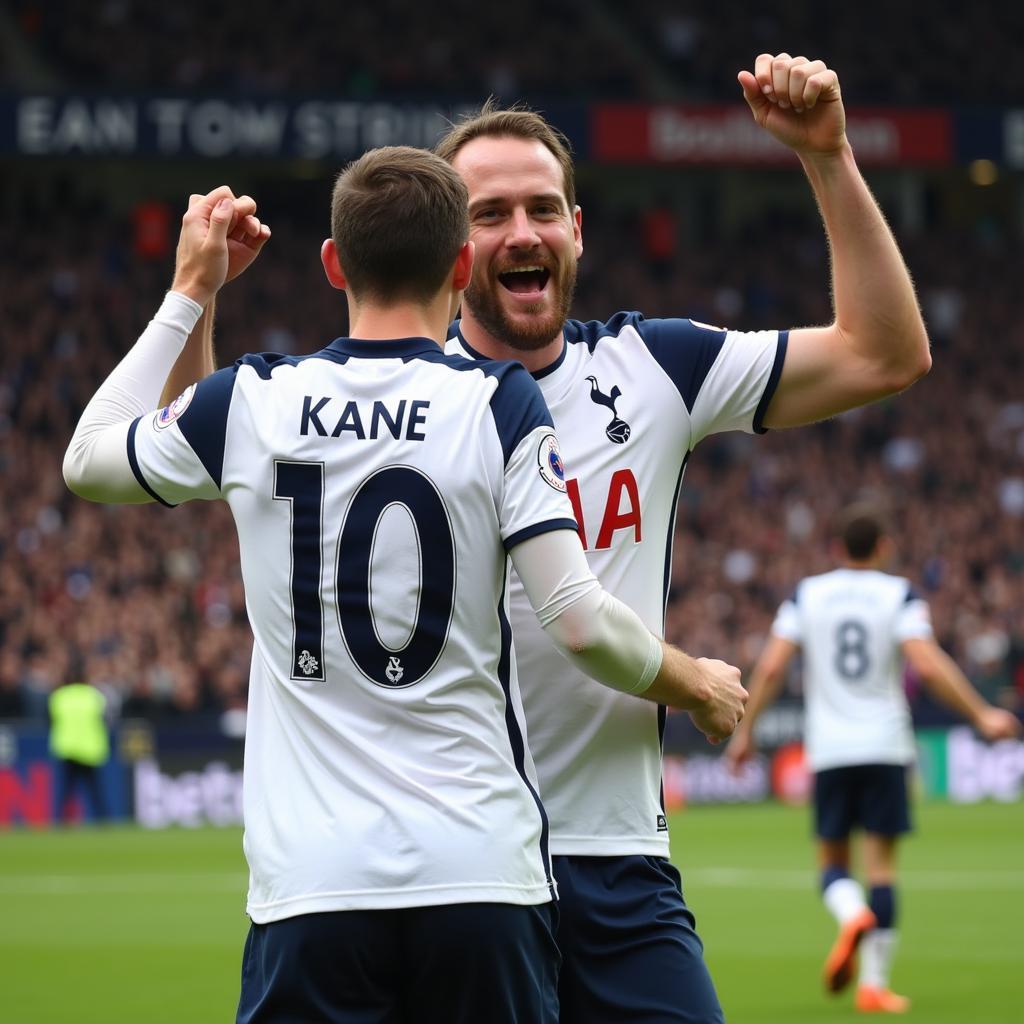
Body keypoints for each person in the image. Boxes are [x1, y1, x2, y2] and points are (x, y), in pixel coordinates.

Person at [63, 148, 747, 1024]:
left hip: (314, 886)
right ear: (462, 266)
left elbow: (90, 456)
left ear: (332, 264)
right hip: (481, 872)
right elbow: (576, 619)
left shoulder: (254, 402)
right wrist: (694, 683)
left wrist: (192, 292)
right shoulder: (501, 403)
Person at [433, 53, 933, 1023]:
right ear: (447, 246)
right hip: (456, 871)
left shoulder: (654, 365)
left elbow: (885, 353)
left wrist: (828, 158)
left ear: (577, 231)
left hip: (618, 864)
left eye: (542, 208)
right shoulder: (395, 400)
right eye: (487, 214)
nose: (521, 230)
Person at [724, 505, 1021, 1013]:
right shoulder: (899, 594)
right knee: (882, 868)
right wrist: (980, 713)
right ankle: (874, 985)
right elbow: (926, 664)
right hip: (885, 744)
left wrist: (745, 730)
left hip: (831, 749)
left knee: (832, 866)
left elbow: (772, 665)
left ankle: (850, 914)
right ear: (883, 546)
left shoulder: (807, 594)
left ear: (837, 548)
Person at [49, 678, 111, 822]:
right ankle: (103, 821)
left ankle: (60, 820)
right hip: (89, 750)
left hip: (68, 749)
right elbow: (106, 720)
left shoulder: (60, 696)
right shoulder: (94, 696)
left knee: (66, 789)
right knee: (95, 790)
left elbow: (51, 720)